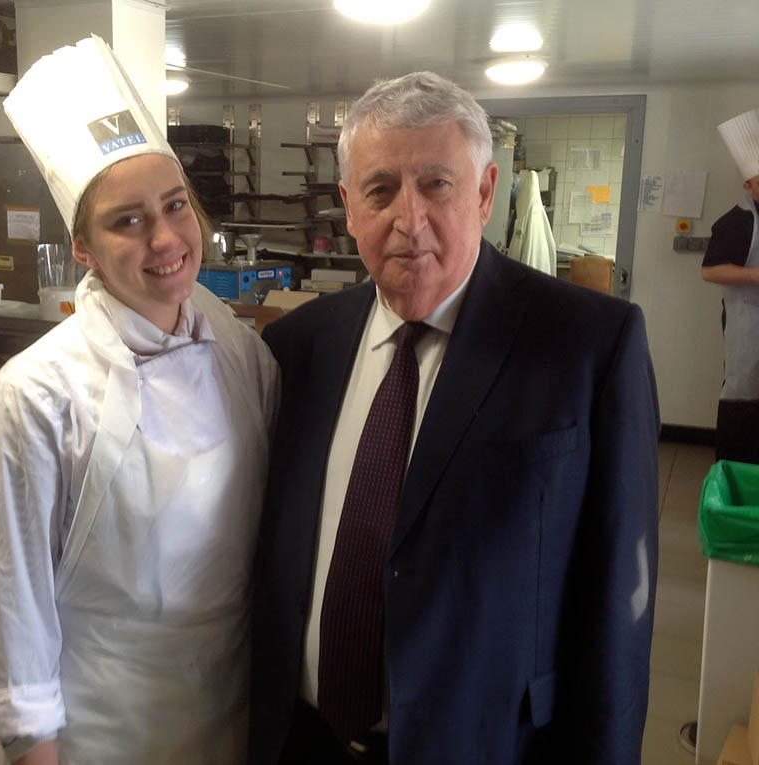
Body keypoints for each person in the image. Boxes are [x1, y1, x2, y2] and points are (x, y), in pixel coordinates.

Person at [250, 71, 660, 764]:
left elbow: (621, 602)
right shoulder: (298, 347)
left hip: (485, 745)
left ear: (485, 192)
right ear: (348, 206)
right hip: (302, 739)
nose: (408, 219)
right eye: (380, 189)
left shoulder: (588, 347)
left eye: (436, 184)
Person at [0, 37, 278, 764]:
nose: (165, 238)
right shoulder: (37, 396)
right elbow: (13, 618)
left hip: (234, 719)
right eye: (126, 220)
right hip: (103, 737)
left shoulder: (242, 355)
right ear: (83, 247)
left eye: (175, 206)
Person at [701, 108, 759, 465]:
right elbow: (709, 271)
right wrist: (755, 275)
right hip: (749, 328)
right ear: (748, 186)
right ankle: (734, 476)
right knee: (745, 399)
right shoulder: (738, 220)